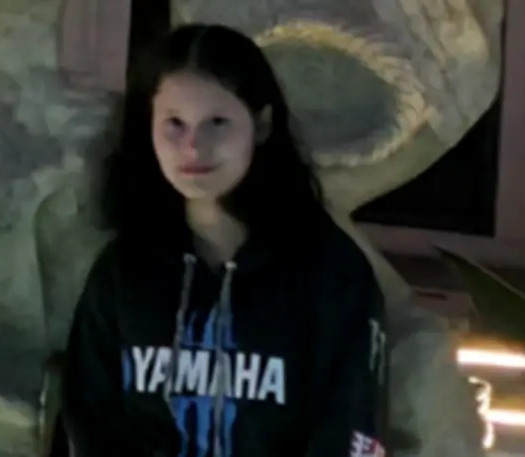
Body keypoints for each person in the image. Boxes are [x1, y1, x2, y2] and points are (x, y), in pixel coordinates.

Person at [61, 23, 388, 457]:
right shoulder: (123, 271)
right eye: (174, 124)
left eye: (217, 123)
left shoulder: (330, 273)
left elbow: (351, 425)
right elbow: (89, 415)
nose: (194, 148)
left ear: (262, 124)